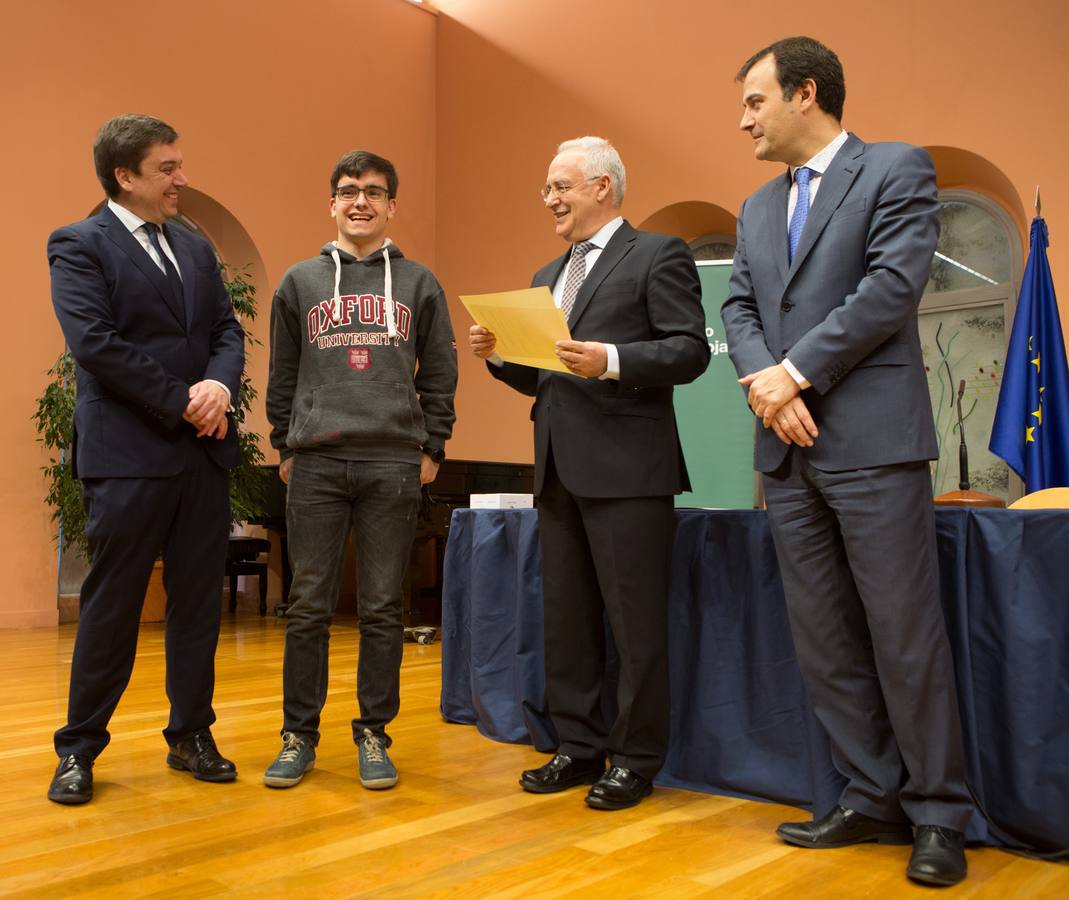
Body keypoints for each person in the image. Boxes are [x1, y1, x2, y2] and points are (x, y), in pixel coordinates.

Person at [721, 37, 972, 886]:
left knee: (904, 636)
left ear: (804, 93)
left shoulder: (895, 168)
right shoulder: (755, 208)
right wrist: (767, 386)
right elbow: (740, 303)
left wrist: (793, 374)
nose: (743, 118)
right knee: (822, 640)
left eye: (754, 100)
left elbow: (891, 288)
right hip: (783, 452)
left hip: (872, 443)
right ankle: (870, 795)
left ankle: (938, 812)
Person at [469, 136, 709, 810]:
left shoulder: (657, 254)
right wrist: (498, 354)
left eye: (560, 186)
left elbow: (688, 351)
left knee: (634, 629)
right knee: (567, 621)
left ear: (602, 186)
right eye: (548, 189)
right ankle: (576, 747)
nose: (549, 199)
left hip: (631, 471)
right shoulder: (548, 274)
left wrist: (608, 358)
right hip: (555, 470)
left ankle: (634, 761)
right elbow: (543, 377)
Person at [47, 114, 245, 804]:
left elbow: (225, 328)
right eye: (167, 168)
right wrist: (184, 401)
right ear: (123, 176)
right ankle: (78, 749)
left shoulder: (193, 246)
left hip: (201, 459)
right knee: (112, 608)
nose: (181, 180)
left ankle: (191, 734)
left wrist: (219, 385)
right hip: (128, 458)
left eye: (179, 165)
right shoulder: (78, 244)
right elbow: (95, 345)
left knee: (196, 606)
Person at [264, 150, 457, 790]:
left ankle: (374, 733)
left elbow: (441, 373)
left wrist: (433, 447)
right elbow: (283, 376)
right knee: (308, 605)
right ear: (332, 203)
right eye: (349, 191)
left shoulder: (421, 284)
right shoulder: (299, 283)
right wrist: (285, 446)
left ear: (391, 205)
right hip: (316, 460)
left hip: (393, 461)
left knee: (380, 609)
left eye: (374, 192)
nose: (360, 202)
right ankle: (299, 735)